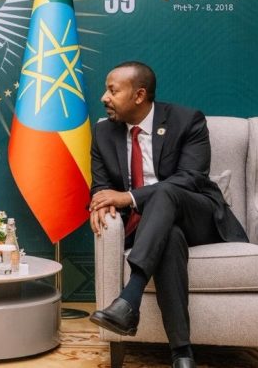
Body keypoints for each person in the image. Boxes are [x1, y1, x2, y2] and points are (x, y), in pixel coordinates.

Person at [87, 61, 248, 368]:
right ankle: (182, 354)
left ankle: (130, 297)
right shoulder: (104, 131)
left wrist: (128, 197)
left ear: (139, 95)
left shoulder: (187, 121)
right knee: (169, 239)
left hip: (198, 217)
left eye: (112, 91)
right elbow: (100, 185)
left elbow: (190, 178)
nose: (103, 98)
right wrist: (101, 200)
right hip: (151, 227)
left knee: (165, 191)